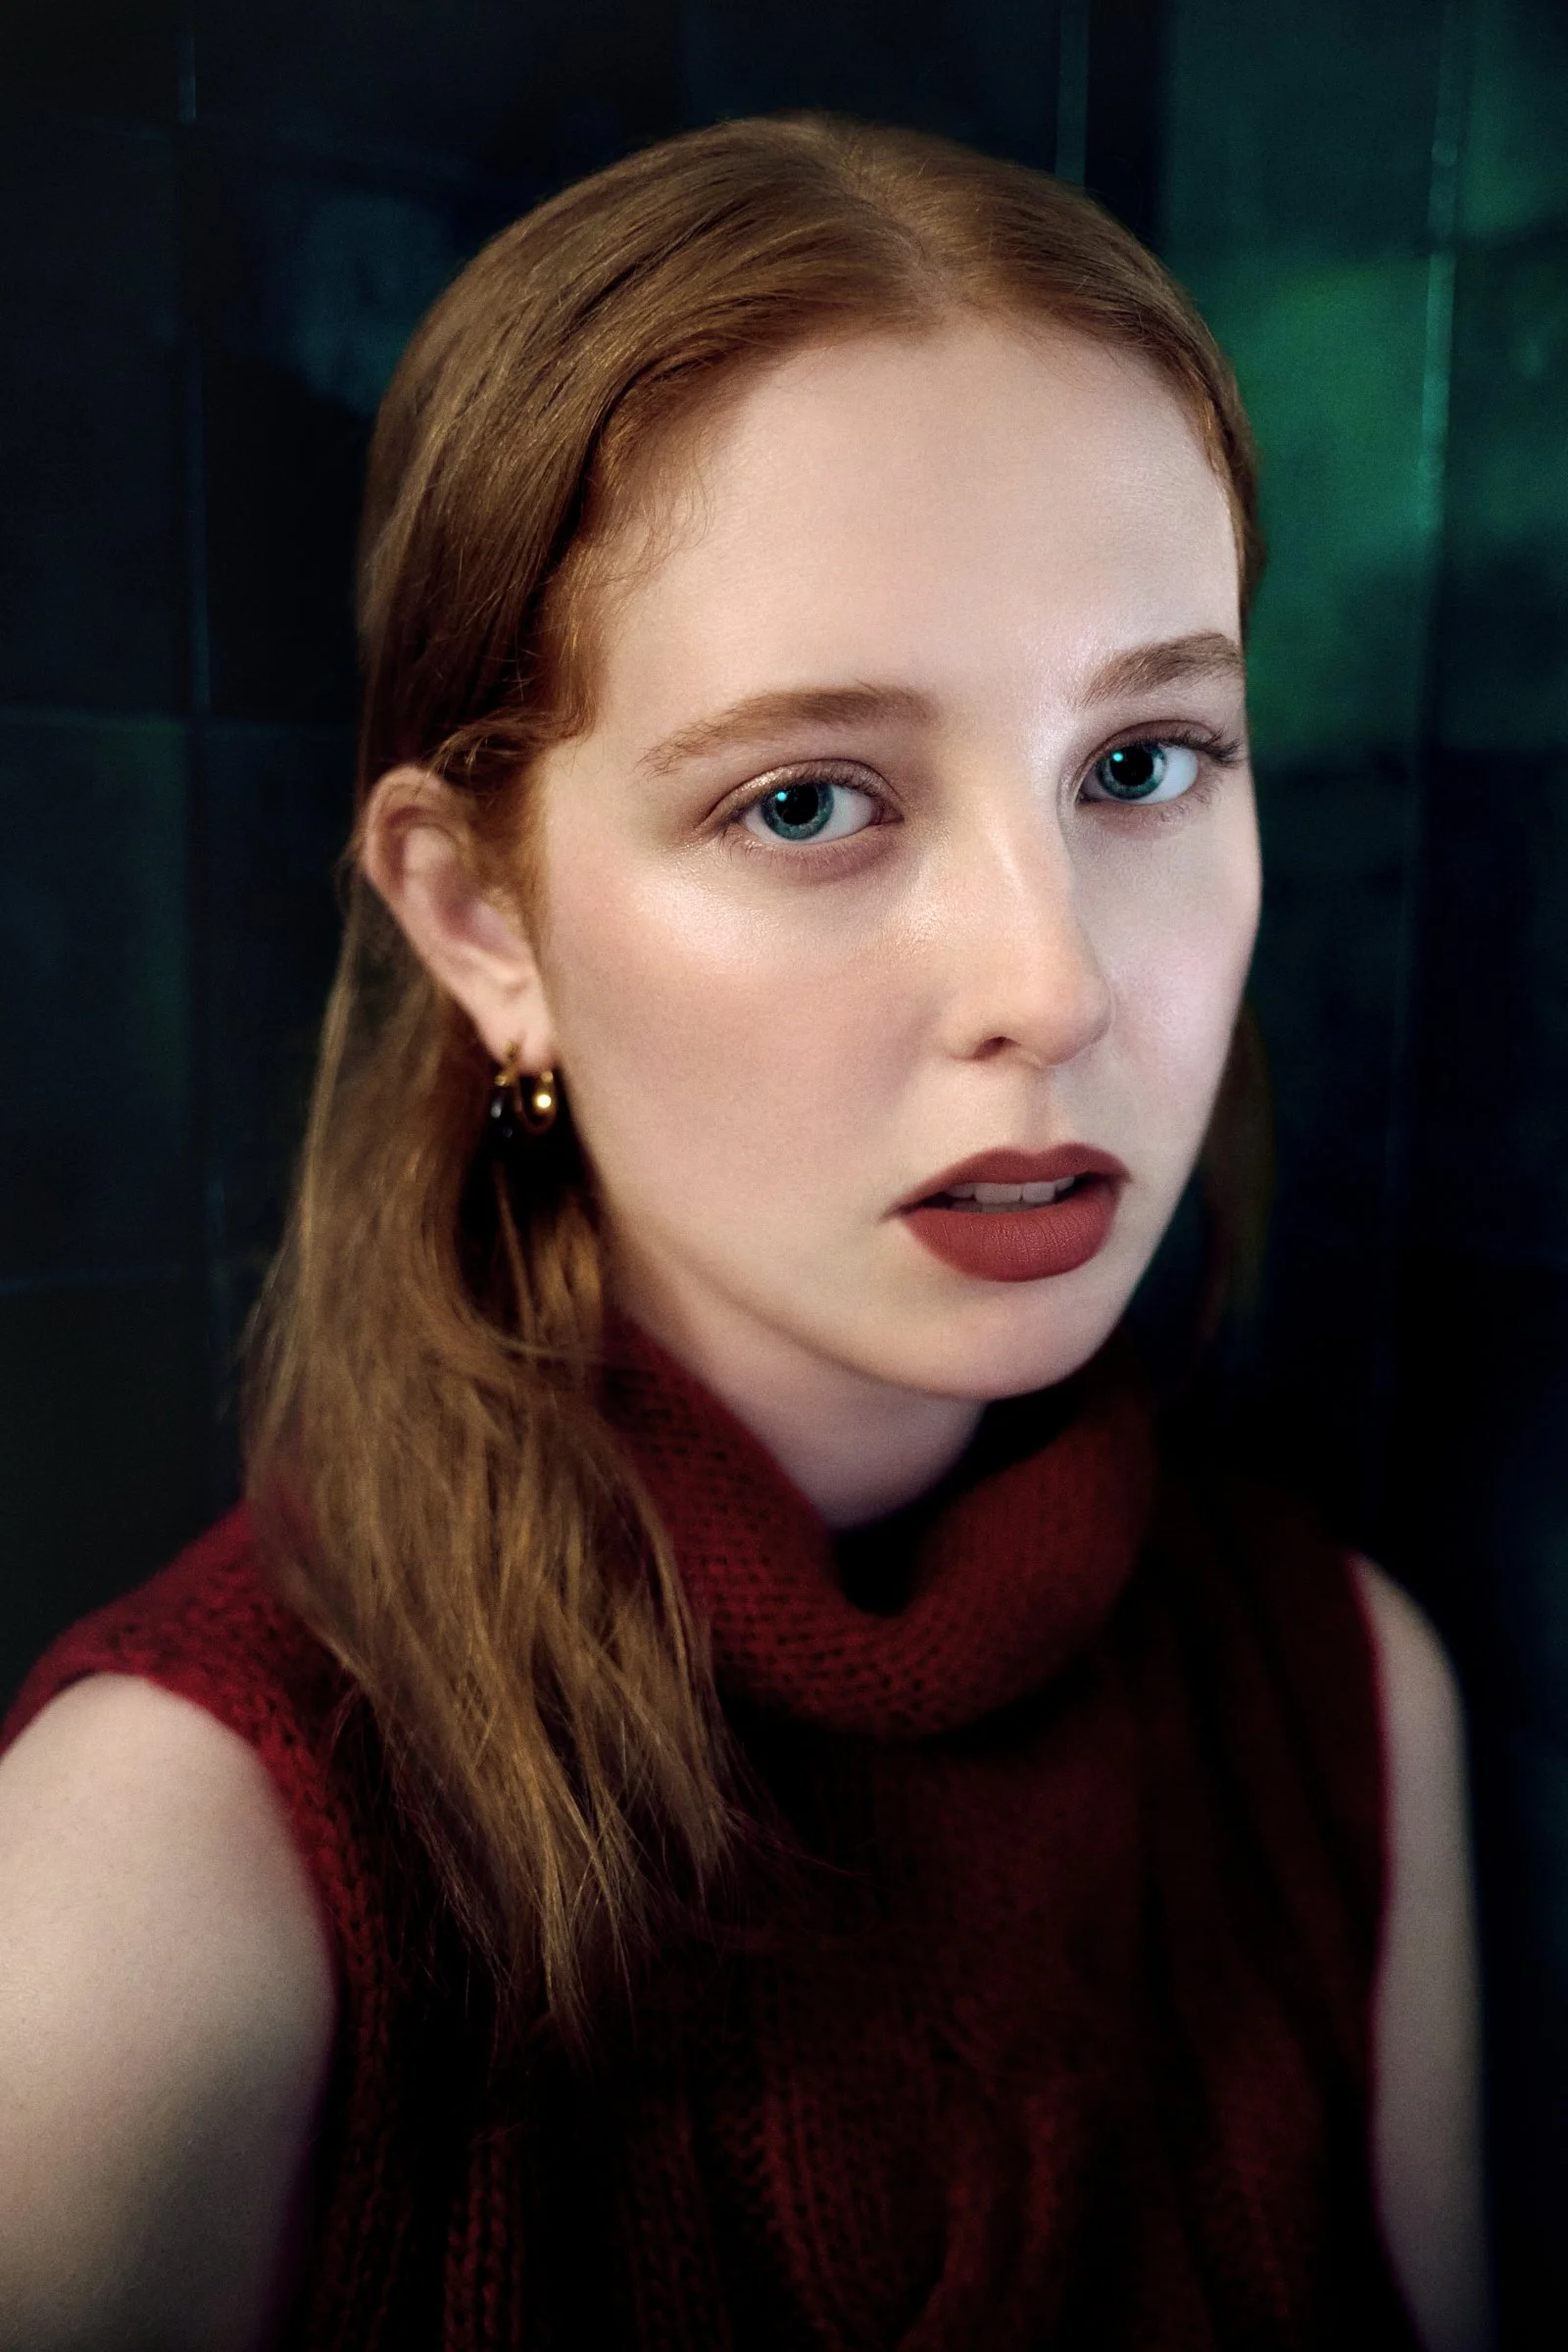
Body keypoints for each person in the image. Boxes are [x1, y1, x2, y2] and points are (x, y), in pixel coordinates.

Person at [0, 116, 1486, 2350]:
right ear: (481, 919)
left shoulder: (1342, 1697)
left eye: (1143, 762)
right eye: (806, 802)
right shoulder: (160, 1897)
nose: (1056, 985)